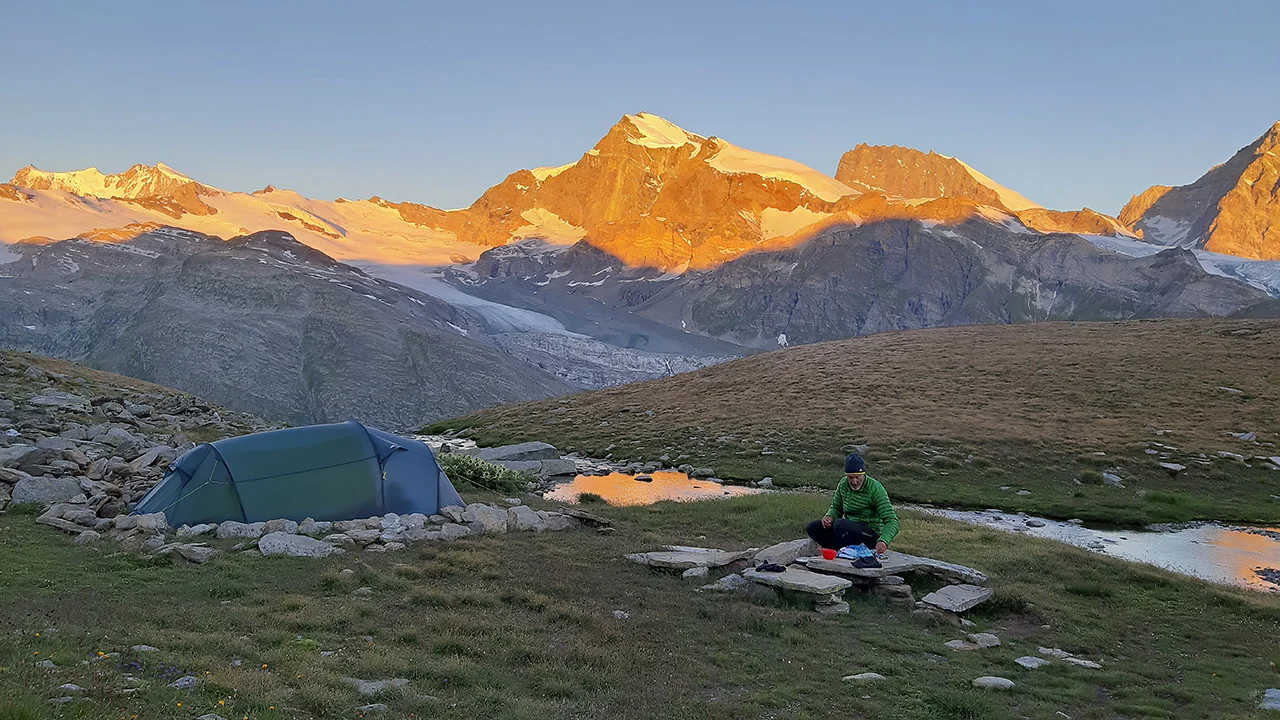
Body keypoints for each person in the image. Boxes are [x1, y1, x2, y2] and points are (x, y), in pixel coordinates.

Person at [806, 453, 900, 558]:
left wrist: (884, 540)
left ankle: (844, 554)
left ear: (864, 474)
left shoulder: (875, 489)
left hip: (869, 534)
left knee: (840, 525)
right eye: (850, 477)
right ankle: (838, 551)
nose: (854, 481)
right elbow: (836, 507)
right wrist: (829, 516)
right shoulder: (843, 484)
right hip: (848, 531)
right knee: (813, 527)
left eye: (857, 477)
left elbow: (892, 520)